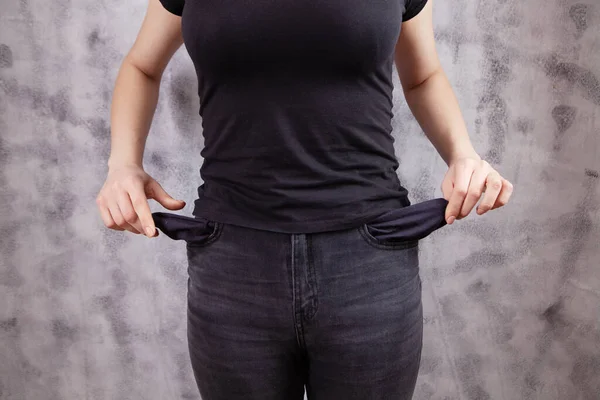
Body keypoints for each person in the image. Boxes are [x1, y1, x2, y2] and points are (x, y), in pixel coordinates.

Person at [96, 0, 514, 398]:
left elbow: (423, 76)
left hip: (368, 266)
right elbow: (141, 66)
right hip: (232, 264)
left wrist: (463, 155)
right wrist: (122, 164)